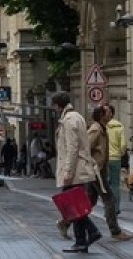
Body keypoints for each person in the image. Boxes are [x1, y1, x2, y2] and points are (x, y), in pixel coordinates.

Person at [52, 91, 102, 253]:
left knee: (72, 206)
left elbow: (72, 148)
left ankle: (93, 231)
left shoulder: (69, 120)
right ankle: (80, 241)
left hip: (75, 171)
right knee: (74, 205)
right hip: (78, 169)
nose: (54, 109)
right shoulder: (76, 117)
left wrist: (68, 171)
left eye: (54, 106)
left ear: (58, 105)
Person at [85, 105, 132, 242]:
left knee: (90, 201)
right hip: (97, 171)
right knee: (110, 199)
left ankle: (66, 222)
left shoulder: (102, 128)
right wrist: (93, 163)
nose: (111, 113)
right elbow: (86, 147)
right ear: (101, 115)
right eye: (108, 112)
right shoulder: (96, 129)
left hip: (99, 169)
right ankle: (115, 231)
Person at [104, 105, 126, 220]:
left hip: (104, 159)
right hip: (116, 159)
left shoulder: (102, 126)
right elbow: (123, 145)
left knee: (105, 185)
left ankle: (107, 209)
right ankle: (116, 208)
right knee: (115, 185)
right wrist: (119, 153)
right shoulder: (120, 126)